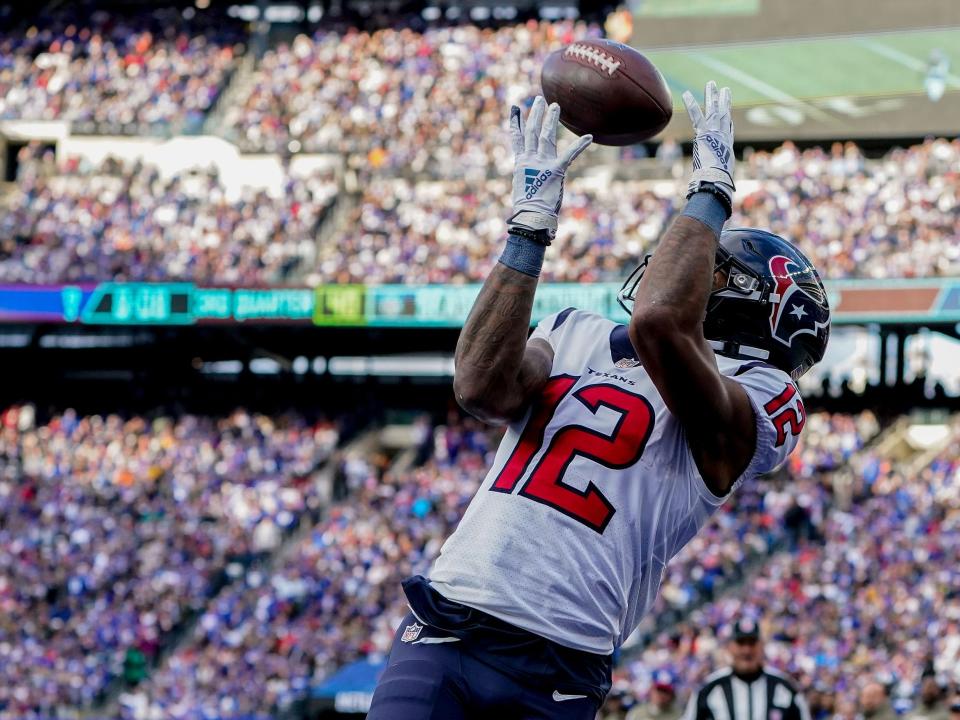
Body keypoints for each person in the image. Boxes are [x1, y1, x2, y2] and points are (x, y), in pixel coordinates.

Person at [368, 82, 830, 719]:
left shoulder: (766, 395)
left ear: (761, 308)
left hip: (565, 650)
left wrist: (711, 194)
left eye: (717, 271)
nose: (688, 268)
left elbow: (661, 323)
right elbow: (478, 385)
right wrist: (526, 235)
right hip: (452, 618)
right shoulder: (576, 330)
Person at [683, 619, 811, 720]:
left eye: (752, 643)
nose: (747, 650)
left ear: (761, 646)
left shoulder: (785, 687)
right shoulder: (708, 689)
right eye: (741, 643)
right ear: (730, 647)